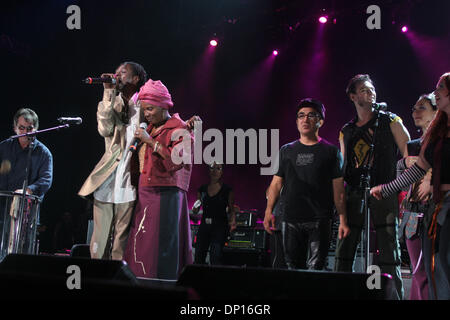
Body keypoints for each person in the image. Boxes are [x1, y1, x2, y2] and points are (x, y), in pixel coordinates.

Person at [371, 72, 450, 300]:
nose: (436, 92)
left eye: (441, 87)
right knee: (433, 268)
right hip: (435, 208)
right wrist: (386, 189)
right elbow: (417, 169)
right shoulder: (436, 133)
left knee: (444, 264)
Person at [334, 74, 410, 300]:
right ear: (353, 96)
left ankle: (393, 296)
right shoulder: (346, 130)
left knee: (389, 250)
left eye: (372, 89)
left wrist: (404, 189)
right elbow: (343, 165)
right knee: (344, 250)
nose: (371, 93)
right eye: (365, 90)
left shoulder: (391, 120)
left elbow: (410, 156)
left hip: (385, 190)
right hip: (355, 191)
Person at [264, 98, 350, 271]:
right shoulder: (286, 150)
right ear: (296, 121)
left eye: (311, 115)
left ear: (320, 121)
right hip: (290, 219)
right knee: (291, 267)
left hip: (319, 220)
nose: (305, 119)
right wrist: (268, 211)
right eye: (301, 115)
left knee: (315, 269)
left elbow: (338, 190)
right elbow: (276, 184)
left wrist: (343, 219)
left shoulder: (331, 152)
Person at [123, 79, 194, 280]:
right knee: (142, 243)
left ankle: (161, 285)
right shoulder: (150, 128)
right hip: (146, 191)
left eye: (151, 109)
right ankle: (138, 282)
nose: (146, 114)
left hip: (166, 194)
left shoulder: (181, 129)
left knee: (160, 247)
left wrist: (150, 142)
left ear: (164, 106)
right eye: (144, 110)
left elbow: (177, 160)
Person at [78, 61, 148, 261]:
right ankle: (94, 279)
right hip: (108, 179)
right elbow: (104, 130)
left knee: (120, 244)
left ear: (135, 79)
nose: (117, 75)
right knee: (98, 243)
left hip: (130, 180)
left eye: (123, 72)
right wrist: (108, 93)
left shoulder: (145, 104)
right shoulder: (112, 102)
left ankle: (116, 284)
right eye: (116, 72)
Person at [397, 93, 437, 300]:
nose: (415, 112)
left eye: (422, 108)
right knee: (418, 271)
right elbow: (404, 178)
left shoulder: (443, 143)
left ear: (437, 111)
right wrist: (403, 165)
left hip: (436, 213)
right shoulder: (412, 145)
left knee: (432, 272)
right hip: (413, 213)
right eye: (414, 108)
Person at [0, 108, 53, 254]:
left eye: (29, 128)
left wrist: (28, 190)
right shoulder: (4, 147)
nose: (25, 132)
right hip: (2, 207)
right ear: (15, 128)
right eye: (21, 128)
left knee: (20, 252)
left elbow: (46, 180)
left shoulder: (44, 153)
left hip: (26, 212)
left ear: (36, 129)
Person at [192, 162, 236, 265]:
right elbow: (196, 210)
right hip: (204, 226)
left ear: (222, 172)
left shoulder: (227, 190)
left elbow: (231, 209)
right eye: (212, 168)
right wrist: (195, 207)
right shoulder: (202, 189)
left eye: (218, 168)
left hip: (219, 227)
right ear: (208, 171)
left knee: (215, 256)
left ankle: (214, 279)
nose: (215, 171)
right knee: (199, 255)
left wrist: (232, 221)